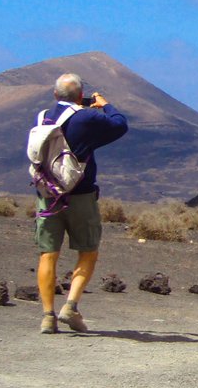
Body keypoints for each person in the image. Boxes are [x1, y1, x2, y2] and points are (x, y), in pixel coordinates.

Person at [35, 73, 128, 334]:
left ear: (55, 95)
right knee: (88, 251)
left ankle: (47, 316)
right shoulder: (87, 117)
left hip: (47, 195)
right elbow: (120, 124)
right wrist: (104, 104)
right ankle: (71, 305)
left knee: (48, 254)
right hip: (81, 194)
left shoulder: (43, 118)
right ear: (80, 95)